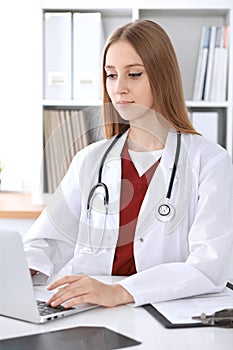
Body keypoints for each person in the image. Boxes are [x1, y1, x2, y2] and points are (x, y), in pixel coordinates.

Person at [23, 19, 233, 309]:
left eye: (134, 74)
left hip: (169, 316)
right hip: (93, 315)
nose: (119, 88)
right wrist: (25, 266)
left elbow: (209, 266)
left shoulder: (210, 161)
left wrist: (120, 291)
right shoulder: (91, 160)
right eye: (111, 75)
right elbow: (48, 240)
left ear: (162, 77)